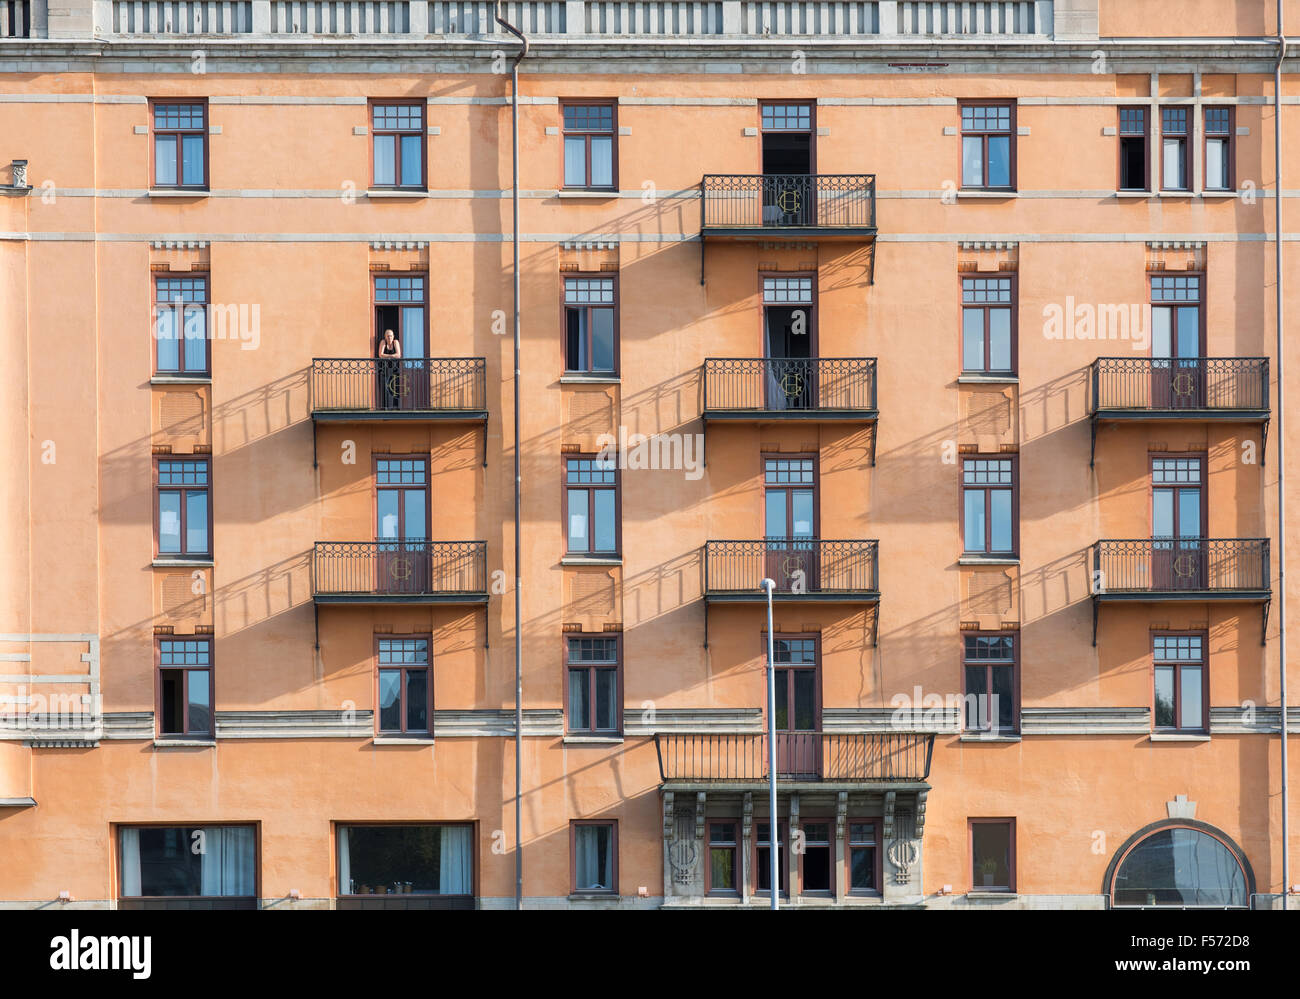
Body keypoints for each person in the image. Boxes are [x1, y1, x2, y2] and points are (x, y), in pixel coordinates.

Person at [377, 329, 402, 408]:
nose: (389, 338)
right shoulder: (383, 342)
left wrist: (387, 356)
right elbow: (380, 355)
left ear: (393, 336)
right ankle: (386, 406)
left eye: (391, 336)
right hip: (385, 368)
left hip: (395, 368)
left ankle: (396, 405)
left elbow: (398, 355)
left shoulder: (396, 342)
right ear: (385, 337)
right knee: (386, 386)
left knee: (395, 386)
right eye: (388, 336)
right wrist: (392, 356)